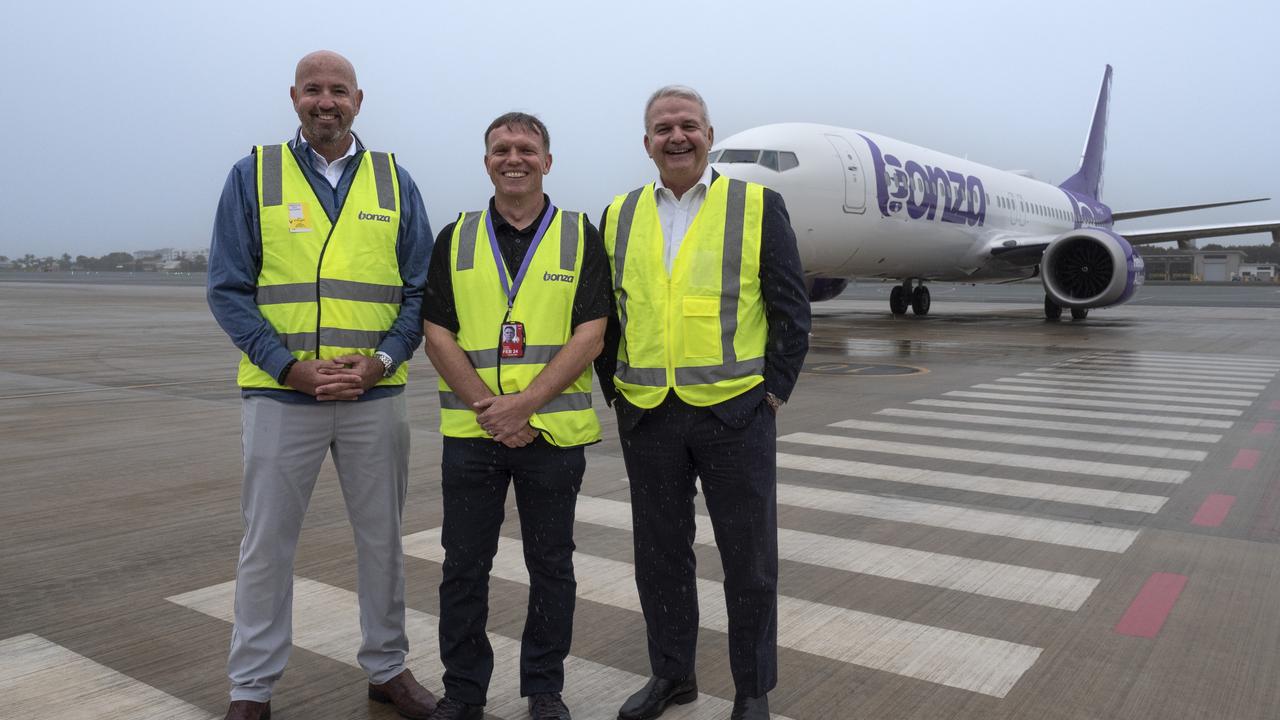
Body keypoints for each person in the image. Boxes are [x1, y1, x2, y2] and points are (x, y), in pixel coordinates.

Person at [207, 50, 437, 720]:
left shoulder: (396, 182)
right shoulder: (253, 176)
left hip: (375, 395)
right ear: (294, 97)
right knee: (266, 545)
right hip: (283, 395)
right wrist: (289, 367)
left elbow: (420, 291)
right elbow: (228, 288)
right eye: (314, 90)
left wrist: (383, 360)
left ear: (359, 100)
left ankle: (387, 666)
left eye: (338, 90)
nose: (325, 101)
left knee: (382, 540)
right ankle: (251, 688)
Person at [596, 86, 810, 720]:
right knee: (660, 558)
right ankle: (673, 676)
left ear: (710, 136)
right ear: (646, 143)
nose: (677, 137)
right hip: (649, 415)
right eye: (663, 128)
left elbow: (790, 311)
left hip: (734, 414)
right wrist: (617, 390)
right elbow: (606, 315)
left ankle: (752, 690)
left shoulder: (756, 206)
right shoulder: (618, 214)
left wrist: (771, 393)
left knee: (749, 562)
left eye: (688, 125)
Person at [421, 112, 609, 720]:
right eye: (501, 149)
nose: (514, 158)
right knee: (464, 566)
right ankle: (463, 692)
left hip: (553, 434)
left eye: (527, 149)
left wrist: (524, 406)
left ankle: (544, 688)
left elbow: (592, 333)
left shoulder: (581, 235)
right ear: (487, 162)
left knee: (551, 565)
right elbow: (436, 331)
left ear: (547, 162)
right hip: (473, 434)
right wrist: (491, 409)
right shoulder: (456, 237)